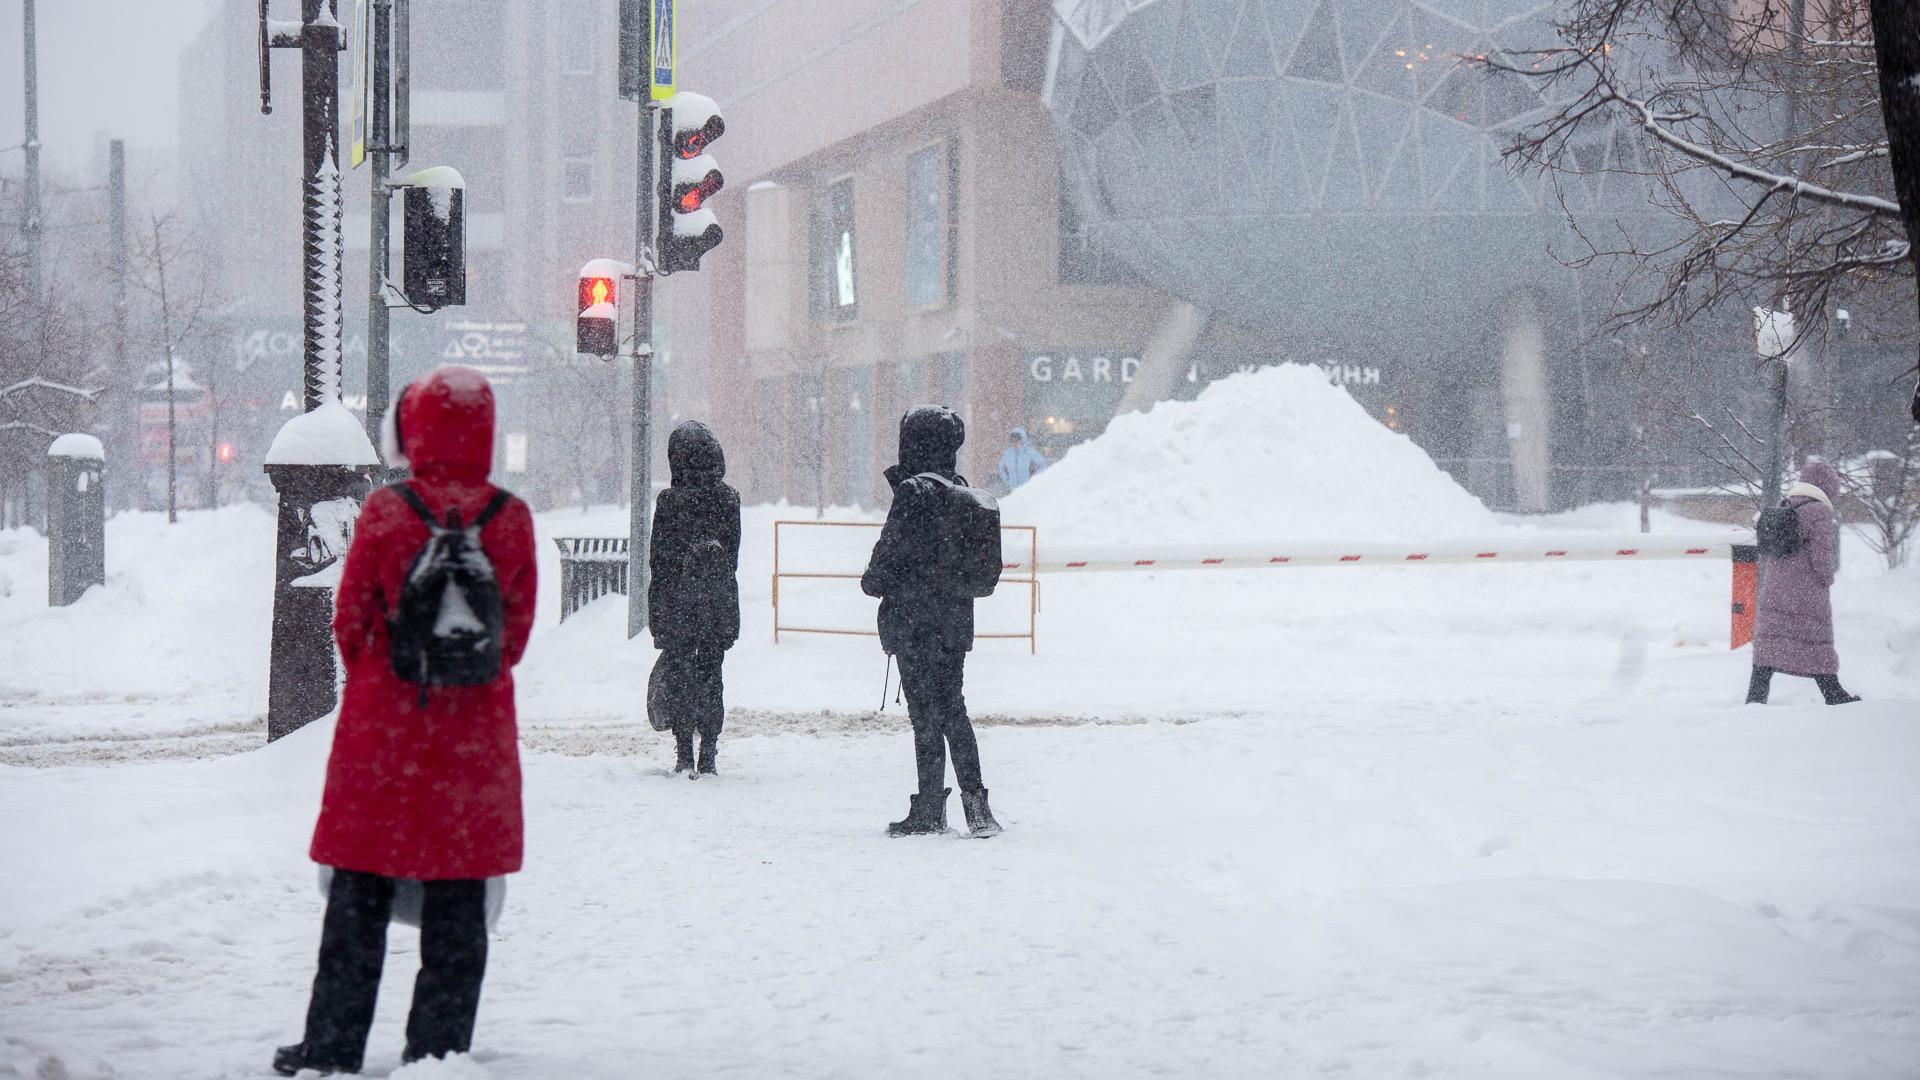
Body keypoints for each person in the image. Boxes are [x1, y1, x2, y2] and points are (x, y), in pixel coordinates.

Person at [275, 366, 538, 1075]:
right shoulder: (511, 519)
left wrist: (388, 681)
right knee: (458, 905)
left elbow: (349, 621)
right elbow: (514, 636)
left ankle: (330, 1047)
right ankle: (439, 1051)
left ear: (413, 429)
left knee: (359, 896)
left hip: (382, 741)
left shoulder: (388, 513)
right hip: (472, 747)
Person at [862, 406, 1003, 838]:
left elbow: (885, 562)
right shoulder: (961, 491)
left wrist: (874, 581)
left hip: (915, 620)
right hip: (954, 623)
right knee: (954, 710)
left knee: (925, 716)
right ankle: (977, 807)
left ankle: (928, 808)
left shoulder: (914, 493)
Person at [649, 420, 742, 776]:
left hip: (678, 606)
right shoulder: (729, 499)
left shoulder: (670, 502)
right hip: (716, 606)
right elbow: (732, 558)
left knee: (680, 676)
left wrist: (657, 616)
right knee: (712, 675)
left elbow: (659, 563)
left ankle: (684, 751)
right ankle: (710, 753)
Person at [1747, 460, 1859, 705]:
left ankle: (1755, 697)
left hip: (1775, 590)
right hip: (1805, 592)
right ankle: (1833, 692)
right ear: (1827, 487)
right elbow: (1821, 557)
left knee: (1770, 642)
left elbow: (1768, 551)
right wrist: (1827, 579)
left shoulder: (1784, 505)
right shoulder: (1819, 512)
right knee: (1815, 640)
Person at [997, 426, 1046, 493]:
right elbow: (1001, 467)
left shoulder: (1029, 452)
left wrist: (1034, 478)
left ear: (1022, 439)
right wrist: (1007, 480)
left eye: (1017, 440)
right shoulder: (1008, 454)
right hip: (1013, 490)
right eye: (1012, 440)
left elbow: (1042, 464)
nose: (1015, 442)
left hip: (1028, 489)